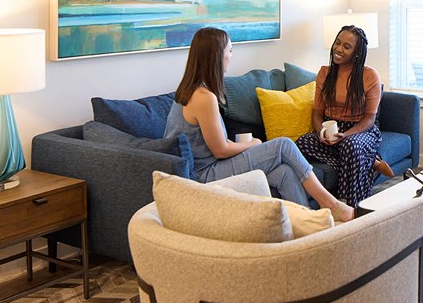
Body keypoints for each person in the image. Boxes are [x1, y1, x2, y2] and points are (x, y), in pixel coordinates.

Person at [165, 27, 353, 222]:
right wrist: (253, 144)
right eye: (229, 50)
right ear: (216, 56)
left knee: (284, 173)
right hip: (204, 176)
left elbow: (210, 144)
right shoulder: (204, 97)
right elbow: (220, 150)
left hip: (209, 167)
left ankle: (307, 227)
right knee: (283, 145)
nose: (231, 55)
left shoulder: (190, 90)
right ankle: (330, 203)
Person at [295, 24, 393, 207]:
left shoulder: (369, 76)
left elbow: (369, 119)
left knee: (350, 146)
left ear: (356, 52)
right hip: (331, 127)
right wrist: (321, 133)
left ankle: (349, 205)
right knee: (301, 143)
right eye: (337, 43)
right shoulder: (325, 73)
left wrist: (346, 135)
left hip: (360, 130)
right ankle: (370, 161)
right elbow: (317, 113)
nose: (339, 49)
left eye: (346, 47)